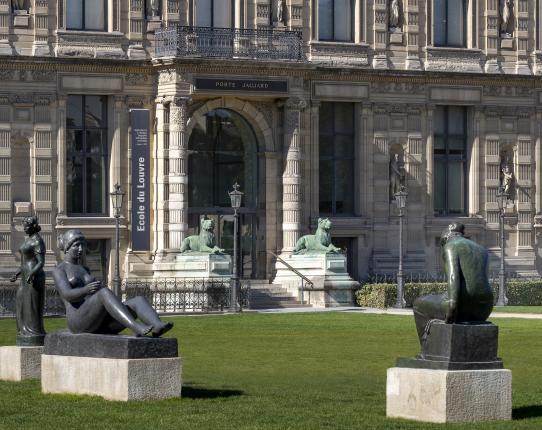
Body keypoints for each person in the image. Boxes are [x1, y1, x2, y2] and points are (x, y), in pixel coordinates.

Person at [52, 230, 172, 337]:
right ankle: (136, 327)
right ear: (67, 247)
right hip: (77, 321)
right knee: (104, 293)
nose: (81, 249)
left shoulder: (84, 268)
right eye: (76, 245)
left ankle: (157, 325)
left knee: (138, 300)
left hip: (97, 320)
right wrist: (86, 290)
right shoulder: (59, 270)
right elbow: (67, 294)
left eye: (82, 245)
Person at [412, 223, 494, 346]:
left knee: (419, 304)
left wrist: (451, 310)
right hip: (484, 309)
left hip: (462, 306)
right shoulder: (482, 250)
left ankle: (427, 348)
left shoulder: (450, 247)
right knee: (438, 297)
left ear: (446, 237)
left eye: (442, 243)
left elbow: (453, 277)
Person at [10, 216, 46, 345]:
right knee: (20, 304)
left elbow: (41, 262)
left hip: (34, 277)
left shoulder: (38, 241)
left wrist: (32, 273)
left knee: (32, 307)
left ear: (32, 227)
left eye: (26, 226)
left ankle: (34, 334)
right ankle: (23, 331)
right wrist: (16, 274)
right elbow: (24, 262)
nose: (24, 228)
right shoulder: (28, 239)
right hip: (25, 276)